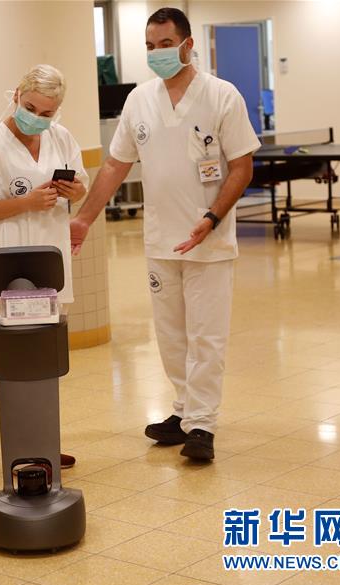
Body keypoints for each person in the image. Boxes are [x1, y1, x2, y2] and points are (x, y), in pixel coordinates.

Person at [70, 8, 260, 460]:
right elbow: (114, 165)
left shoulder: (221, 96)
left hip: (209, 239)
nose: (157, 53)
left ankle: (203, 424)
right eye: (150, 46)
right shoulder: (140, 100)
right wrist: (84, 218)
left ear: (187, 45)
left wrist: (212, 217)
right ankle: (184, 409)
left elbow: (242, 167)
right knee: (171, 334)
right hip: (161, 239)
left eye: (165, 44)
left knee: (206, 335)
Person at [0, 64, 90, 469]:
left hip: (49, 266)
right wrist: (26, 203)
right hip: (10, 269)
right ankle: (22, 448)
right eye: (31, 107)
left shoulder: (61, 137)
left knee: (45, 359)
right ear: (17, 95)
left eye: (47, 112)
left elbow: (81, 186)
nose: (37, 117)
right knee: (19, 362)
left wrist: (75, 190)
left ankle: (45, 443)